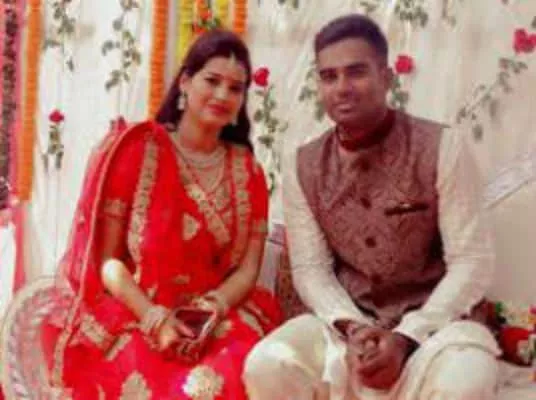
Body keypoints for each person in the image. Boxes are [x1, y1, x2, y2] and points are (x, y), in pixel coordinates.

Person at [5, 29, 281, 399]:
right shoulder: (139, 150)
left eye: (235, 88)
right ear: (185, 82)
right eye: (212, 81)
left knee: (239, 375)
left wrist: (210, 310)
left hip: (215, 316)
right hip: (138, 312)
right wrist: (155, 319)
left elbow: (248, 269)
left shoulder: (249, 172)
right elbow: (108, 262)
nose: (222, 95)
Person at [244, 14, 500, 400]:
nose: (342, 88)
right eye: (329, 76)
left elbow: (472, 260)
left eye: (356, 72)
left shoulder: (443, 147)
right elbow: (311, 270)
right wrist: (354, 327)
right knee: (267, 364)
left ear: (386, 77)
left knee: (465, 382)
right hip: (349, 325)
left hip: (436, 328)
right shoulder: (302, 164)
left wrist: (407, 335)